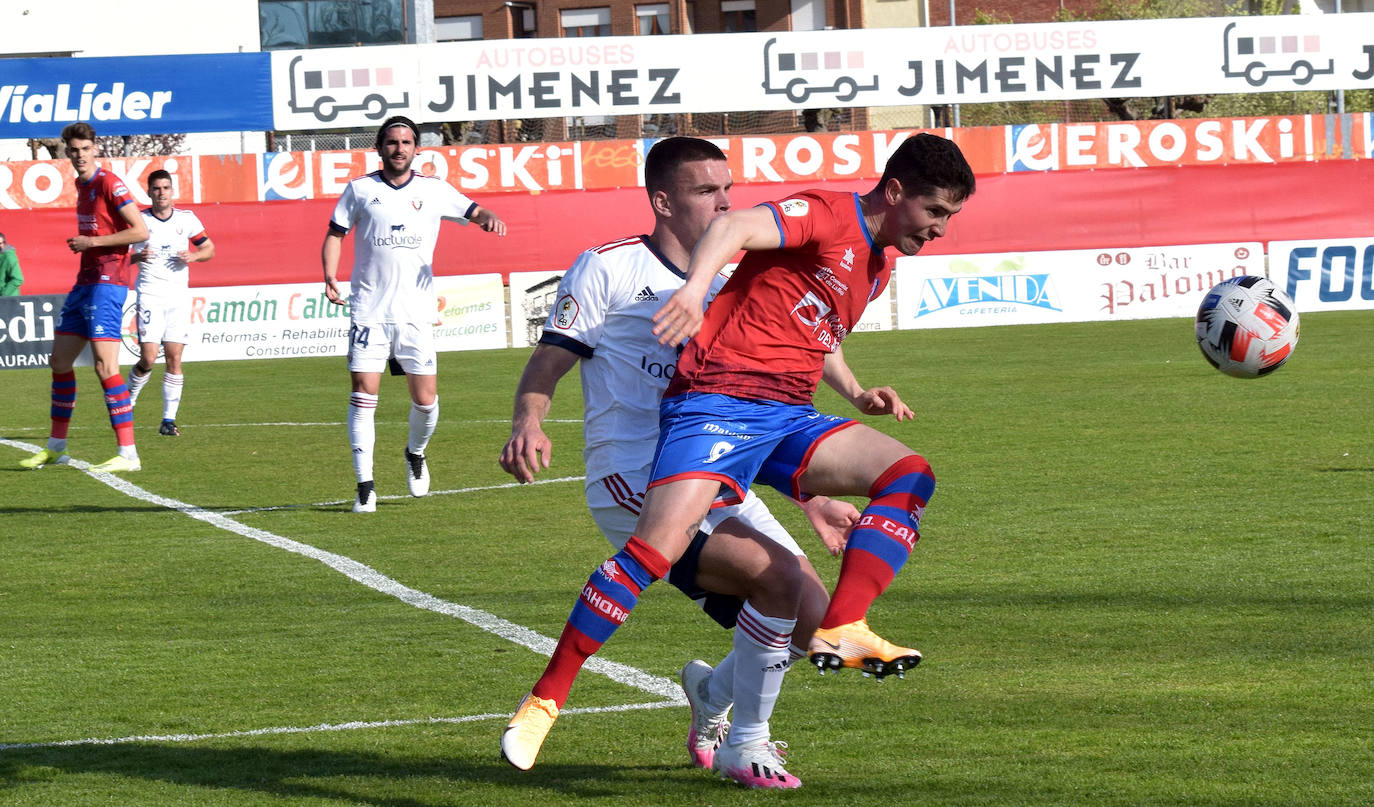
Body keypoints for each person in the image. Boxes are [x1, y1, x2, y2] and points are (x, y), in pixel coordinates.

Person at [502, 132, 976, 785]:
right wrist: (529, 420)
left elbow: (806, 339)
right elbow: (552, 355)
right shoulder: (611, 266)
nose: (723, 202)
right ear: (663, 201)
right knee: (744, 574)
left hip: (750, 434)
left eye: (727, 188)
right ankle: (554, 701)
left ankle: (732, 687)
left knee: (814, 613)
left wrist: (820, 472)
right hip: (636, 463)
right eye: (706, 191)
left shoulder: (771, 265)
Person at [323, 115, 507, 513]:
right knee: (362, 394)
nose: (399, 148)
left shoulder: (433, 190)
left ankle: (415, 452)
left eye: (406, 142)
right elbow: (335, 234)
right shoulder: (359, 190)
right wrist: (329, 276)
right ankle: (365, 486)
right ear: (379, 147)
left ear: (415, 149)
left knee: (425, 401)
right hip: (369, 310)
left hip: (416, 313)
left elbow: (473, 209)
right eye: (392, 142)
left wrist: (487, 217)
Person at [20, 122, 150, 473]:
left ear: (96, 148)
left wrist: (91, 243)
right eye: (73, 150)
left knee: (105, 366)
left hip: (108, 283)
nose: (78, 155)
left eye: (83, 148)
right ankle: (56, 447)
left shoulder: (109, 182)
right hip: (85, 281)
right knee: (59, 362)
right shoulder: (81, 184)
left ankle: (128, 454)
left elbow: (140, 230)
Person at [125, 169, 215, 436]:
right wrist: (136, 258)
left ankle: (168, 420)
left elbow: (209, 248)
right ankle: (127, 402)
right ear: (149, 192)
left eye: (166, 188)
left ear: (172, 191)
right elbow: (119, 258)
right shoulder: (140, 221)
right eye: (156, 188)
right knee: (148, 359)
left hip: (178, 297)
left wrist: (195, 256)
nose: (161, 193)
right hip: (151, 295)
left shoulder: (186, 220)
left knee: (175, 358)